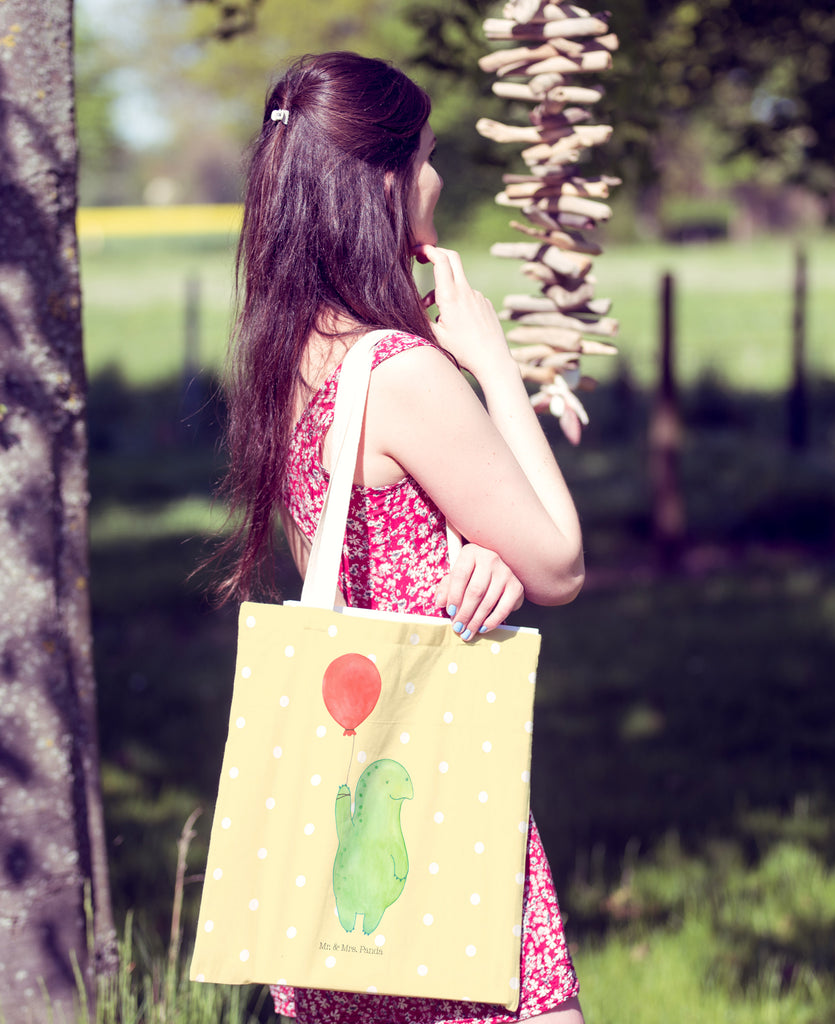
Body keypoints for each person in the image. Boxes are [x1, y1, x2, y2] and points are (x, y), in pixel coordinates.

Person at [213, 51, 586, 1024]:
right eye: (423, 156)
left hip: (332, 840)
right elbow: (559, 561)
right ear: (380, 180)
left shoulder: (289, 355)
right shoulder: (403, 373)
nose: (437, 178)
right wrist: (494, 364)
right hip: (437, 798)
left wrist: (469, 555)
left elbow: (348, 558)